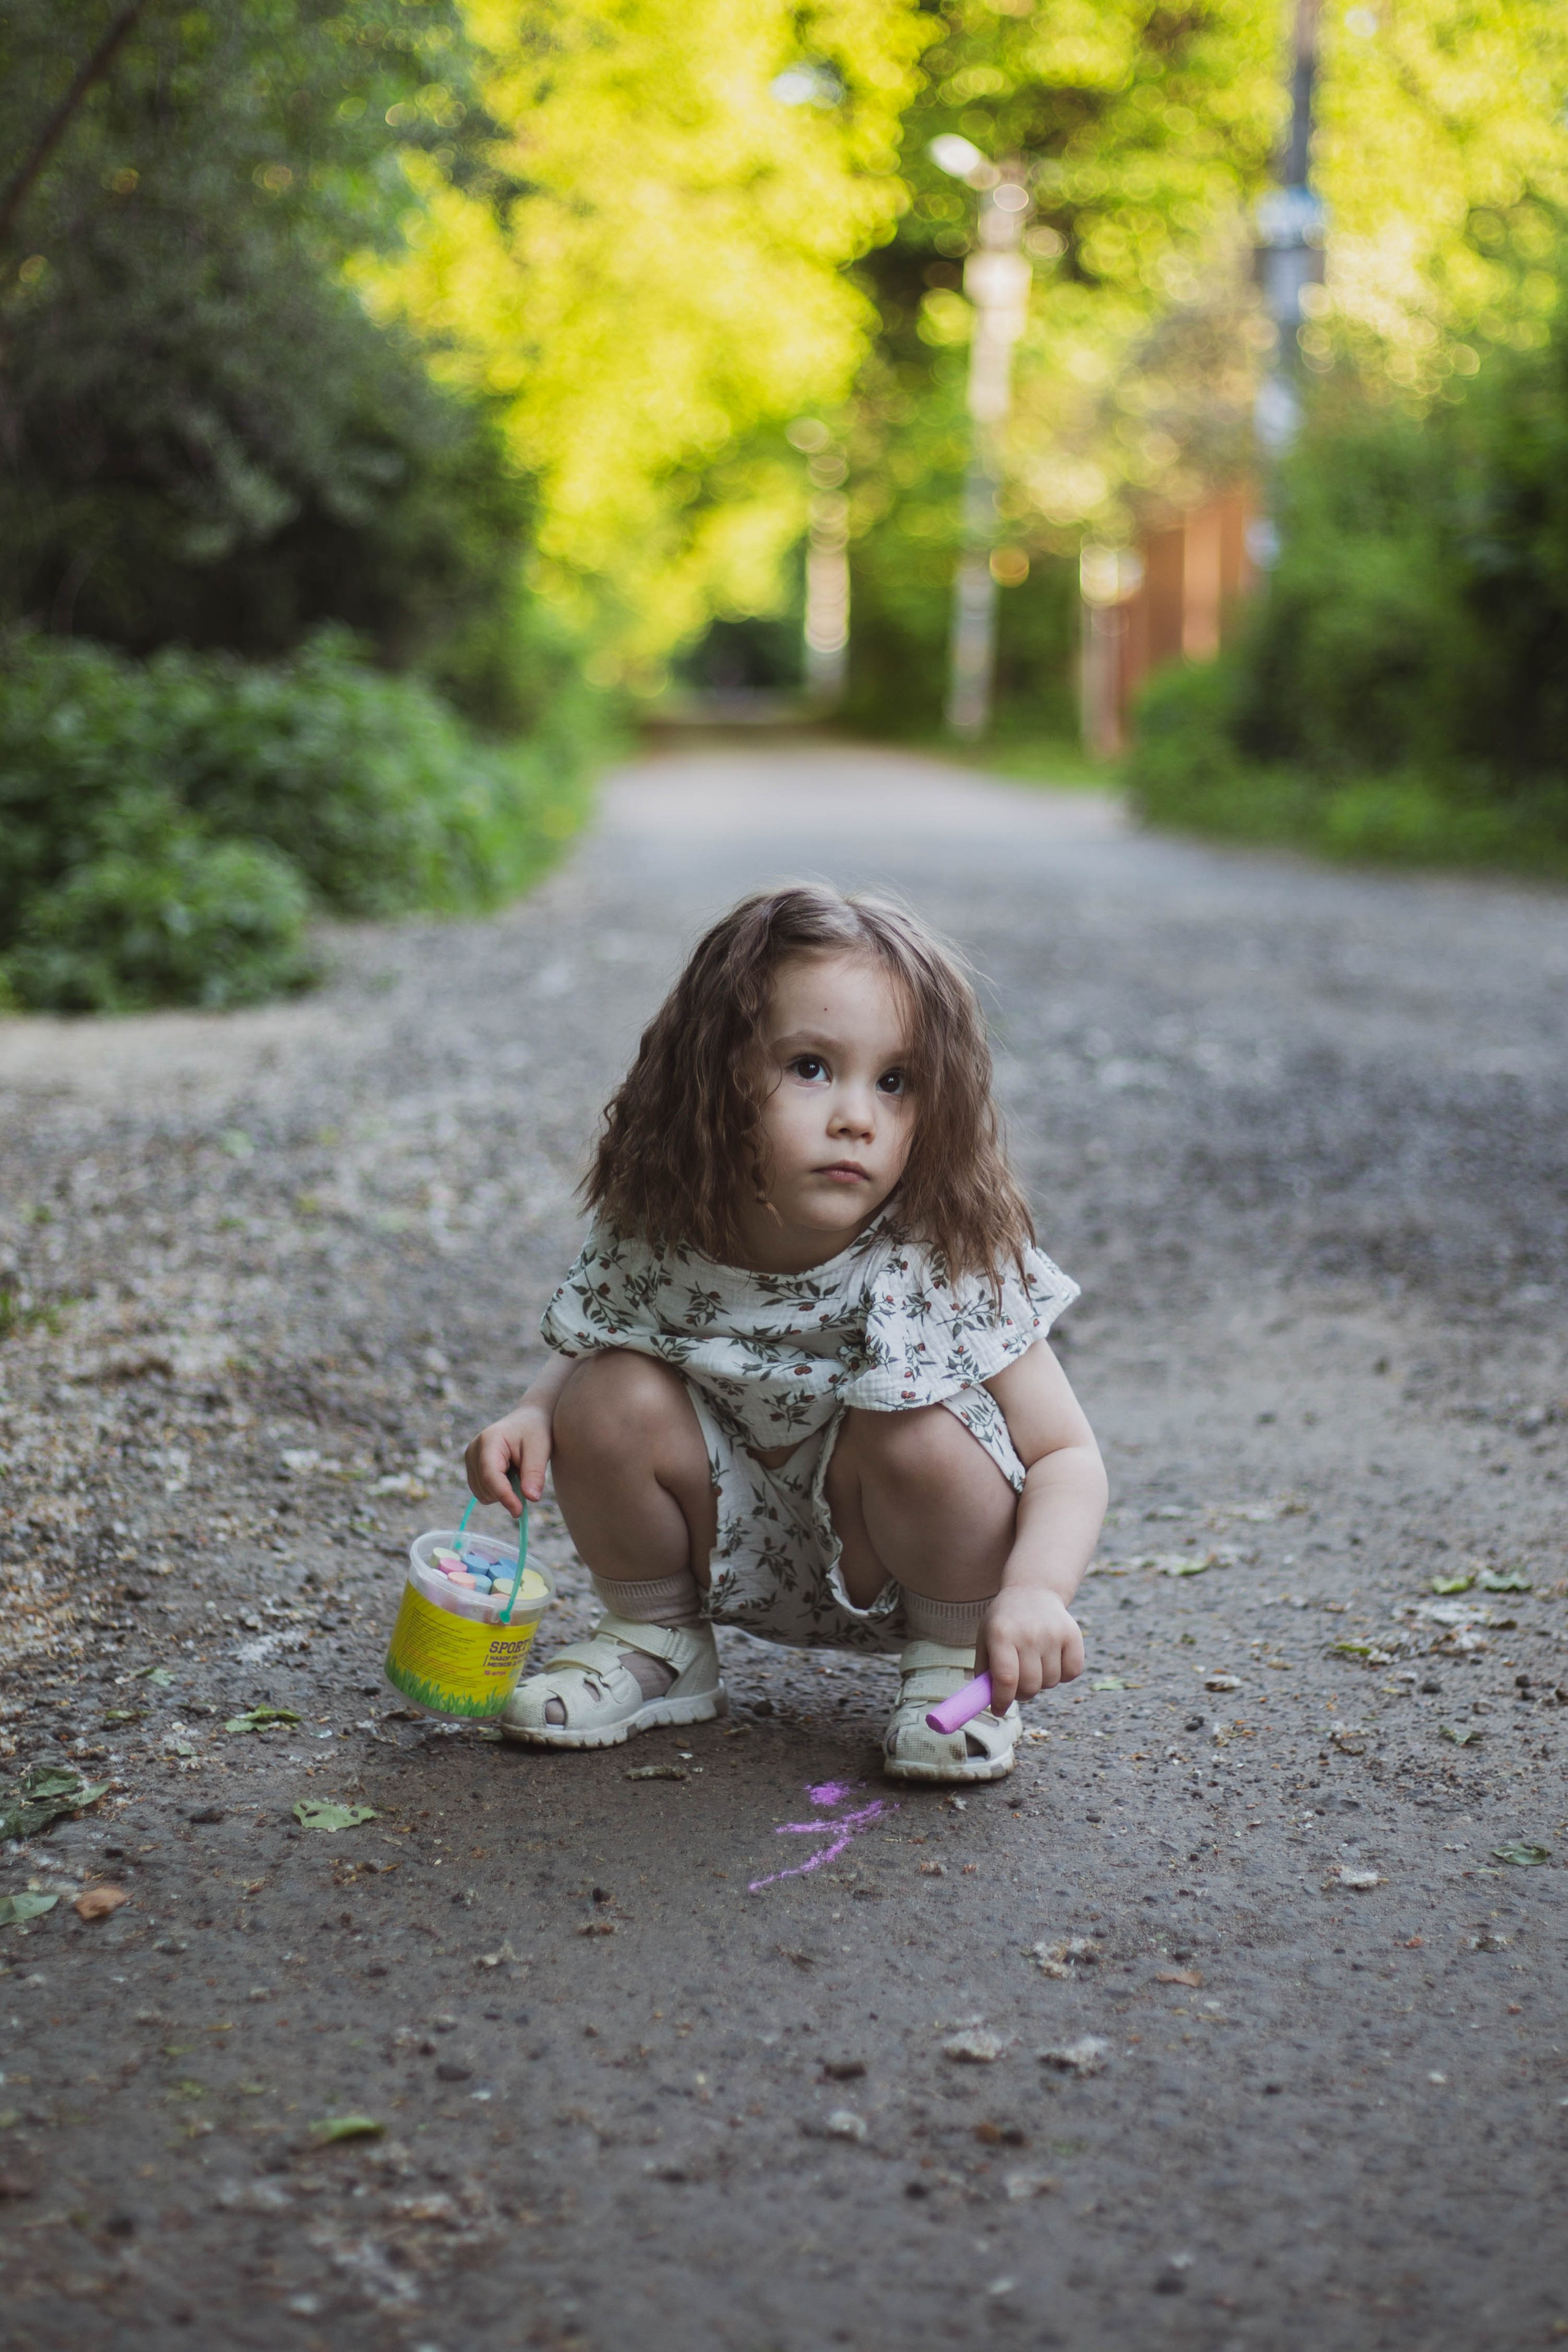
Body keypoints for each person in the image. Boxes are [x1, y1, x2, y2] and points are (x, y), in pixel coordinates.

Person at [464, 886, 1106, 1783]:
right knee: (605, 1389)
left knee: (916, 1420)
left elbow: (1068, 1454)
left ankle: (954, 1670)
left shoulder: (944, 1256)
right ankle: (657, 1642)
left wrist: (1036, 1592)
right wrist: (535, 1417)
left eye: (895, 1082)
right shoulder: (664, 1229)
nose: (857, 1116)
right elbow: (597, 1331)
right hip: (729, 1531)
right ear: (714, 1074)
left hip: (910, 1559)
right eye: (811, 1067)